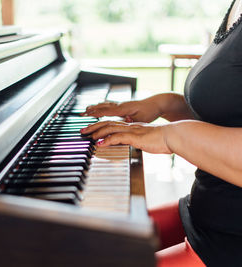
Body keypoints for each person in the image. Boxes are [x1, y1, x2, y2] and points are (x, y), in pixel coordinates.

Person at [80, 0, 242, 266]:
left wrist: (170, 136)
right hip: (203, 211)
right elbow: (229, 113)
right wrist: (162, 104)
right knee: (81, 246)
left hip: (229, 243)